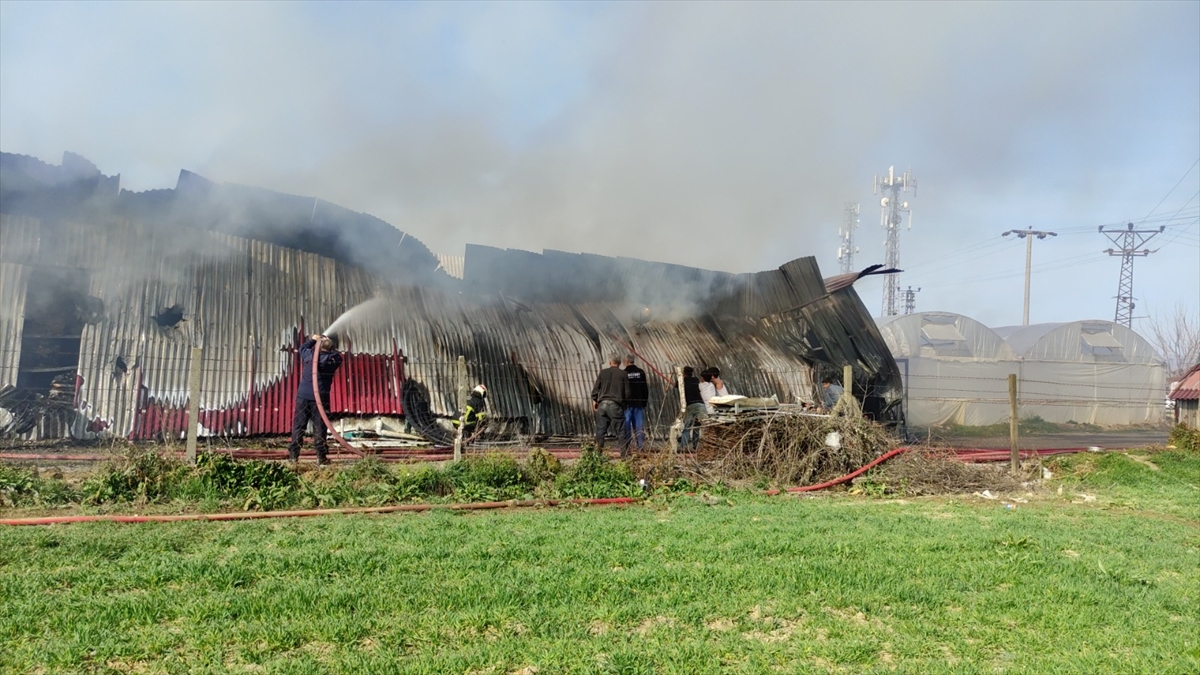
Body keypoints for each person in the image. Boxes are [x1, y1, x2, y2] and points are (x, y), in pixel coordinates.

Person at [288, 333, 343, 465]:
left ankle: (293, 457)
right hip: (320, 399)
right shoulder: (333, 360)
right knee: (320, 428)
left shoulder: (309, 356)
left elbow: (302, 348)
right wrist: (328, 344)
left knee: (299, 427)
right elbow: (338, 355)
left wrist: (314, 340)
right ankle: (321, 458)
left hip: (303, 397)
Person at [591, 354, 629, 451]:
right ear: (620, 363)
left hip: (602, 404)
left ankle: (597, 454)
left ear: (610, 362)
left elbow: (595, 390)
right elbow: (627, 393)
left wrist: (595, 401)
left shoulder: (603, 373)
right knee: (621, 431)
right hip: (615, 405)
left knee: (600, 430)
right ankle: (624, 456)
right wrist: (624, 405)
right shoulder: (623, 374)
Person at [622, 355, 649, 454]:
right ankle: (640, 447)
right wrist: (644, 401)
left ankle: (627, 448)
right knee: (639, 426)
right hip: (639, 403)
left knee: (626, 426)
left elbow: (622, 389)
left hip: (627, 404)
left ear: (626, 361)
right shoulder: (641, 372)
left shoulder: (624, 373)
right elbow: (645, 388)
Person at [679, 366, 706, 450]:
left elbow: (677, 385)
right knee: (697, 426)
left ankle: (683, 446)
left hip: (691, 405)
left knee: (687, 426)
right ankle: (695, 446)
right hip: (700, 404)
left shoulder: (682, 381)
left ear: (684, 373)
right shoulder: (695, 380)